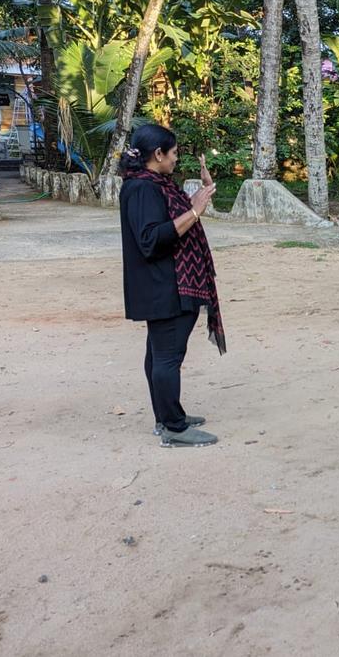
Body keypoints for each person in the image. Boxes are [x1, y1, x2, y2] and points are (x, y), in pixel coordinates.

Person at [119, 124, 223, 448]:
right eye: (174, 153)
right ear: (158, 154)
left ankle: (167, 416)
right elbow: (151, 239)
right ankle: (173, 428)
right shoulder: (142, 189)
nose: (177, 159)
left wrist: (199, 198)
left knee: (159, 355)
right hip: (164, 285)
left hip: (168, 282)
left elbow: (170, 218)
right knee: (167, 357)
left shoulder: (155, 184)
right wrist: (194, 210)